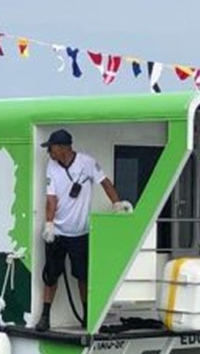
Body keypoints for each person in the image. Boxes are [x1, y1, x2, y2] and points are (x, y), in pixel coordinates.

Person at [35, 129, 131, 332]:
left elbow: (105, 183)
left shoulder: (87, 163)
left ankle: (88, 316)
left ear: (61, 148)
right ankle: (45, 317)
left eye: (50, 148)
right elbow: (51, 198)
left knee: (83, 276)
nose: (48, 152)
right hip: (58, 233)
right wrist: (49, 224)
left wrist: (117, 204)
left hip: (81, 233)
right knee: (51, 276)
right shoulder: (52, 166)